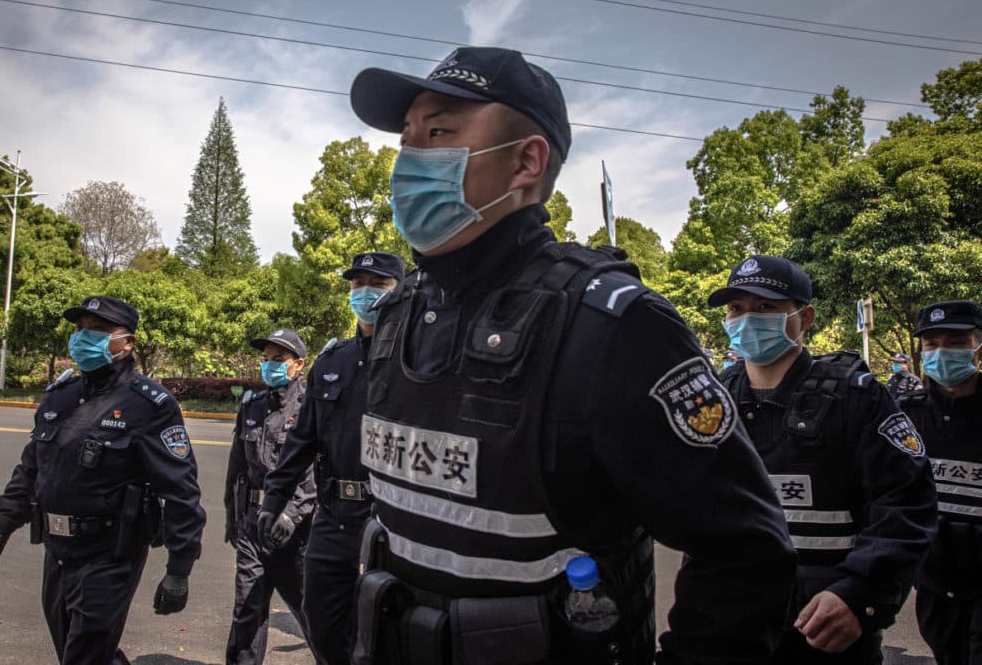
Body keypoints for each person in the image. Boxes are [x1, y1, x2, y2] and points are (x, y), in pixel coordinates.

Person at [344, 46, 798, 665]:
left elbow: (744, 552)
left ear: (526, 161)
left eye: (440, 131)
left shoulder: (613, 325)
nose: (410, 158)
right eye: (407, 140)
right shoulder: (398, 316)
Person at [708, 255, 937, 664]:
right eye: (736, 309)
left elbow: (905, 506)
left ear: (805, 317)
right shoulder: (714, 400)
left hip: (829, 628)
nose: (747, 320)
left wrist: (859, 596)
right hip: (733, 623)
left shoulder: (858, 399)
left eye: (765, 308)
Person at [0, 295, 206, 665]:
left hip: (111, 554)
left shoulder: (149, 405)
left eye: (98, 331)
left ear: (127, 342)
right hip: (58, 553)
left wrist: (179, 569)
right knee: (77, 650)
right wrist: (1, 526)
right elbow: (31, 468)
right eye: (80, 329)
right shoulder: (60, 398)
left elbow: (181, 492)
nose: (83, 337)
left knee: (83, 656)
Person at [260, 251, 404, 665]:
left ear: (401, 292)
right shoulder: (331, 362)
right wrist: (274, 501)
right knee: (322, 623)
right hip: (335, 517)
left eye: (377, 284)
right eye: (357, 284)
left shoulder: (415, 360)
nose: (364, 293)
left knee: (389, 630)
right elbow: (300, 442)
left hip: (393, 519)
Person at [224, 328, 316, 664]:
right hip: (253, 526)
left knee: (312, 614)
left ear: (298, 365)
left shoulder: (311, 407)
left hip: (297, 531)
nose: (270, 366)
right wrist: (232, 517)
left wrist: (293, 514)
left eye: (279, 360)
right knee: (246, 610)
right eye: (266, 360)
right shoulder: (251, 406)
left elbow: (314, 472)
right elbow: (237, 468)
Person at [899, 300, 982, 665]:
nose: (942, 352)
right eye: (932, 344)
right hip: (934, 581)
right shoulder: (904, 416)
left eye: (957, 342)